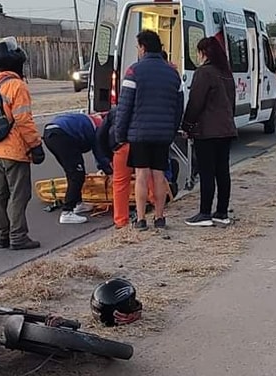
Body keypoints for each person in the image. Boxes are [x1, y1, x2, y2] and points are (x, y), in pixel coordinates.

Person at [115, 30, 184, 230]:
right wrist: (171, 131)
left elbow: (124, 106)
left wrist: (120, 135)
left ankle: (142, 219)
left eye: (138, 47)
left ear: (143, 47)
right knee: (159, 176)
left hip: (140, 134)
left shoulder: (134, 71)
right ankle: (160, 217)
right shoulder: (172, 73)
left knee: (142, 176)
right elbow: (179, 107)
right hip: (163, 135)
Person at [0, 37, 45, 250]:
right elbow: (23, 120)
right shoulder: (17, 86)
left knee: (0, 194)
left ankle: (2, 236)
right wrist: (35, 145)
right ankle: (18, 236)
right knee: (19, 195)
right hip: (14, 150)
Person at [182, 36, 237, 227]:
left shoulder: (204, 73)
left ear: (203, 53)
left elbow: (196, 102)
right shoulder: (226, 73)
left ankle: (204, 213)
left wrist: (187, 125)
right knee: (223, 171)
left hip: (207, 131)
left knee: (207, 172)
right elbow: (232, 103)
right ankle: (221, 212)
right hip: (226, 129)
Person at [97, 107, 160, 229]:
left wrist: (109, 157)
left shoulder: (115, 111)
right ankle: (157, 206)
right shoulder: (148, 109)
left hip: (122, 146)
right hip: (143, 143)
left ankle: (121, 220)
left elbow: (100, 136)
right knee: (150, 176)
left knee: (120, 183)